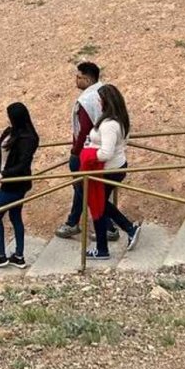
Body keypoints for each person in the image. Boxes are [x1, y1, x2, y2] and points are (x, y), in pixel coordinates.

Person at [80, 84, 142, 259]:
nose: (98, 102)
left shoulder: (109, 125)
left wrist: (87, 153)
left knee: (98, 205)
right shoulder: (120, 119)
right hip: (113, 167)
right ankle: (104, 245)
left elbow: (106, 153)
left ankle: (124, 231)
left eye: (100, 99)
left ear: (106, 101)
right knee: (98, 204)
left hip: (106, 169)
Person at [0, 103, 40, 268]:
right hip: (8, 180)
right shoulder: (11, 131)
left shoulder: (29, 138)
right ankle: (18, 256)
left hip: (14, 183)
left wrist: (3, 174)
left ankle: (1, 255)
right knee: (15, 217)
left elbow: (23, 164)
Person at [55, 62, 105, 239]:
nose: (76, 80)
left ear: (88, 79)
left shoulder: (85, 100)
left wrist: (75, 151)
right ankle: (72, 222)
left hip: (87, 151)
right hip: (103, 147)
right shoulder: (105, 91)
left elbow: (83, 129)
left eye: (78, 77)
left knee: (84, 189)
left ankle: (109, 226)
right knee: (81, 187)